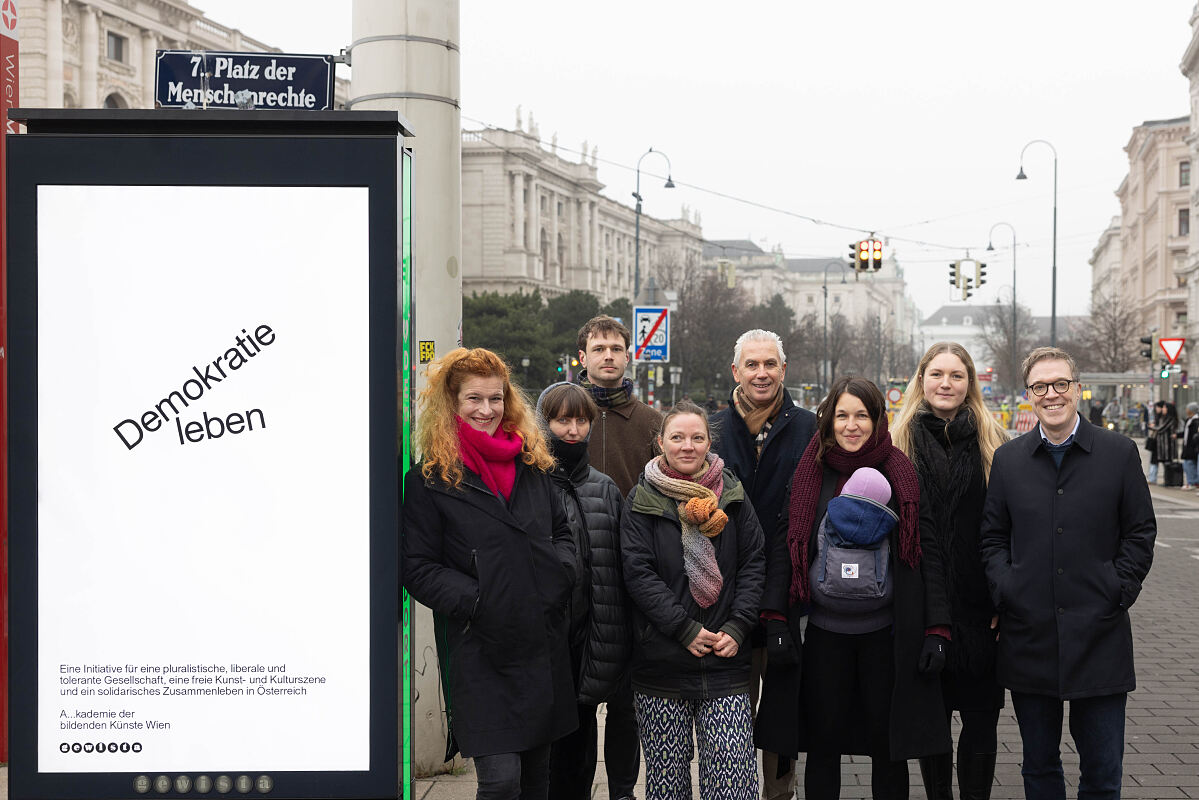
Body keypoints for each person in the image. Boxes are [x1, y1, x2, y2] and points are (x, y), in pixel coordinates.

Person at [758, 376, 950, 800]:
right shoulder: (810, 472)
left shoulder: (901, 472)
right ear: (828, 421)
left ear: (878, 420)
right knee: (823, 745)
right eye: (841, 415)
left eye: (861, 415)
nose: (851, 425)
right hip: (823, 638)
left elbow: (927, 555)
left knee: (888, 748)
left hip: (887, 638)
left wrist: (937, 629)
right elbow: (784, 545)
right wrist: (773, 618)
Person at [980, 346, 1156, 800]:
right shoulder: (1010, 460)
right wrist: (1008, 588)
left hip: (1099, 634)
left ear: (1078, 389)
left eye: (1061, 384)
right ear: (1029, 395)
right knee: (1039, 767)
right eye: (1040, 386)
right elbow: (993, 536)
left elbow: (1139, 533)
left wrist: (1118, 589)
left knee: (1101, 771)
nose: (1051, 394)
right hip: (1029, 634)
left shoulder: (1118, 453)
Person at [403, 348, 578, 800]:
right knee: (501, 782)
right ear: (452, 403)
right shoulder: (428, 478)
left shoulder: (531, 462)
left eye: (496, 399)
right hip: (479, 648)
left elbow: (562, 532)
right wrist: (479, 601)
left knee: (538, 780)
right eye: (474, 399)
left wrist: (560, 574)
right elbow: (417, 567)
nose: (486, 410)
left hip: (541, 643)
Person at [620, 400, 765, 800]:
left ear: (708, 442)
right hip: (661, 666)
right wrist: (684, 629)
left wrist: (737, 627)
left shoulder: (733, 495)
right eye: (678, 437)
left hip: (726, 664)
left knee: (733, 781)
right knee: (667, 786)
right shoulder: (641, 499)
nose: (688, 446)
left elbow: (754, 563)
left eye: (697, 437)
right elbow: (639, 574)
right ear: (660, 442)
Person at [892, 342, 1012, 800]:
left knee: (982, 718)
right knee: (931, 720)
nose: (946, 384)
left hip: (982, 610)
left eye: (956, 375)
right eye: (937, 374)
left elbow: (1010, 530)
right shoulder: (896, 444)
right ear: (921, 380)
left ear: (970, 384)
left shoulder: (995, 444)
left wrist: (1006, 599)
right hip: (922, 608)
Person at [710, 329, 817, 800]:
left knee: (780, 719)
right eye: (751, 364)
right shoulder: (710, 431)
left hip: (788, 599)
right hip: (724, 601)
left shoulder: (810, 429)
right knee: (728, 721)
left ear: (783, 369)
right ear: (736, 371)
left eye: (769, 364)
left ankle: (780, 793)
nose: (761, 373)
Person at [574, 314, 660, 799]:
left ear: (628, 356)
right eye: (598, 348)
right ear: (582, 357)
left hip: (632, 582)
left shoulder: (651, 423)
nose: (608, 355)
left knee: (628, 703)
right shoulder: (562, 415)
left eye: (616, 348)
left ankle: (624, 790)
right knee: (578, 703)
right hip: (576, 583)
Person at [536, 382, 631, 799]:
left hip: (592, 640)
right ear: (544, 423)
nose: (572, 430)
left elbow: (620, 568)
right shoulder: (530, 483)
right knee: (542, 751)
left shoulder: (605, 488)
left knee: (581, 741)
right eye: (562, 420)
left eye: (580, 420)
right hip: (544, 642)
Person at [1180, 402, 1199, 491]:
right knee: (1188, 465)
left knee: (1190, 464)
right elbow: (1185, 433)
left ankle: (1192, 482)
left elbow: (1195, 435)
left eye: (1188, 409)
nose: (1186, 410)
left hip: (1192, 447)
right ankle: (1191, 481)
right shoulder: (1189, 420)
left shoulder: (1196, 421)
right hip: (1187, 446)